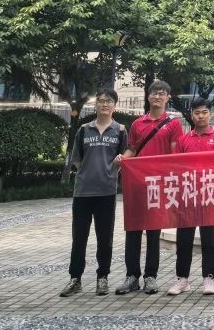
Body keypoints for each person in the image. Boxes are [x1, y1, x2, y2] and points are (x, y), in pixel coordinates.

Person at [116, 79, 184, 295]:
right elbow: (132, 150)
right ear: (148, 96)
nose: (157, 96)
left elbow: (174, 154)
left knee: (154, 232)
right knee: (133, 230)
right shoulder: (138, 123)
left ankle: (150, 276)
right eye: (154, 93)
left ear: (167, 98)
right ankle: (132, 276)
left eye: (162, 93)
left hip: (158, 185)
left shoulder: (173, 124)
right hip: (137, 184)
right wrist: (122, 159)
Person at [60, 87, 126, 297]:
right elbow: (77, 160)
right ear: (95, 104)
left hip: (106, 192)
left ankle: (102, 277)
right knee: (79, 238)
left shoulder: (120, 131)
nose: (105, 104)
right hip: (83, 193)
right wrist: (89, 174)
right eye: (101, 101)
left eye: (109, 101)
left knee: (104, 238)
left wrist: (111, 170)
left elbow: (124, 158)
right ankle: (75, 279)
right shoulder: (84, 130)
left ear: (114, 105)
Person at [166, 97, 214, 296]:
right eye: (197, 113)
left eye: (204, 112)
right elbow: (176, 168)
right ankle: (182, 279)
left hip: (209, 195)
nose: (201, 116)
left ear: (210, 114)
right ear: (191, 115)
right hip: (187, 196)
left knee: (209, 238)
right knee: (184, 238)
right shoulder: (184, 140)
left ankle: (208, 278)